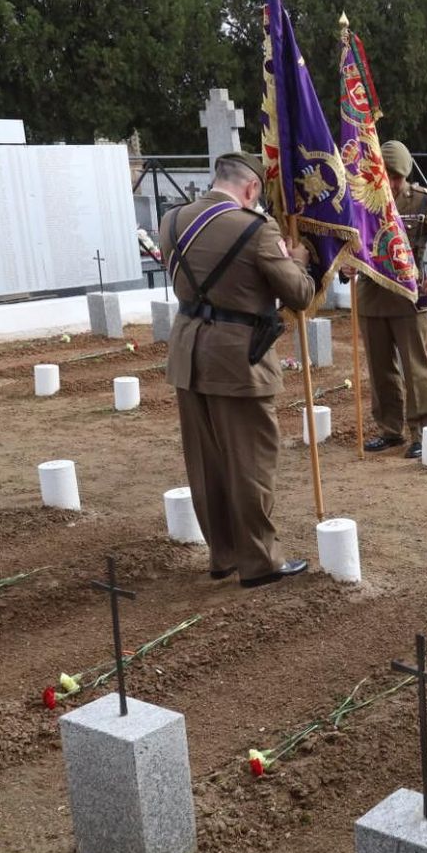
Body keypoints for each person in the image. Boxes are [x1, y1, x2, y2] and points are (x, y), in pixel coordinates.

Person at [162, 152, 315, 588]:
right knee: (251, 460)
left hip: (187, 353)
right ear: (251, 189)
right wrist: (298, 258)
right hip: (237, 359)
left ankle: (223, 554)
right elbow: (300, 294)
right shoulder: (255, 228)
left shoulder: (172, 221)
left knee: (206, 462)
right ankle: (260, 561)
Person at [355, 140, 427, 459]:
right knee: (380, 370)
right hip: (371, 296)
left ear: (405, 176)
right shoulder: (362, 200)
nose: (390, 183)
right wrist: (346, 266)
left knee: (415, 367)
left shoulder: (421, 201)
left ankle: (422, 432)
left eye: (397, 177)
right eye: (385, 175)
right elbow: (348, 243)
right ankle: (390, 430)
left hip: (409, 297)